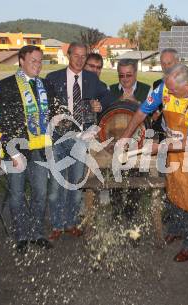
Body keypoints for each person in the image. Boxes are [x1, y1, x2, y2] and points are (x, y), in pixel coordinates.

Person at [120, 64, 188, 262]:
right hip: (172, 147)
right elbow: (142, 111)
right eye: (167, 88)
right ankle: (176, 228)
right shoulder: (165, 86)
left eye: (173, 90)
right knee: (173, 189)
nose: (168, 93)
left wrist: (159, 147)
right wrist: (125, 137)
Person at [45, 42, 112, 241]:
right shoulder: (52, 78)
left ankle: (71, 222)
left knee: (75, 183)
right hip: (57, 138)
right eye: (76, 55)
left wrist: (99, 105)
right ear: (68, 55)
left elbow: (108, 96)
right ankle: (57, 225)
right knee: (57, 184)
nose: (80, 60)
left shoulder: (91, 78)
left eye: (84, 57)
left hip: (81, 139)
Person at [0, 45, 57, 253]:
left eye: (40, 61)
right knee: (17, 195)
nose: (38, 65)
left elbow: (57, 113)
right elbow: (4, 121)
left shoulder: (46, 86)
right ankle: (21, 235)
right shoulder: (6, 85)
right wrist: (11, 152)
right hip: (17, 152)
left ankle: (37, 233)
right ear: (21, 61)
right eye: (34, 61)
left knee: (40, 193)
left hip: (40, 151)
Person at [108, 58, 151, 221]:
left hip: (138, 141)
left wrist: (137, 103)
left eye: (129, 75)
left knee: (135, 178)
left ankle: (131, 213)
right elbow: (104, 117)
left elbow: (152, 115)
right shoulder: (110, 89)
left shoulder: (146, 90)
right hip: (116, 140)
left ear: (136, 74)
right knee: (116, 177)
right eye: (121, 76)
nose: (125, 79)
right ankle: (116, 212)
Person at [151, 48, 188, 141]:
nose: (166, 67)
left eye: (169, 63)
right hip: (163, 134)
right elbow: (155, 109)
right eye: (163, 63)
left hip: (184, 135)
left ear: (178, 63)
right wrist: (154, 113)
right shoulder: (157, 84)